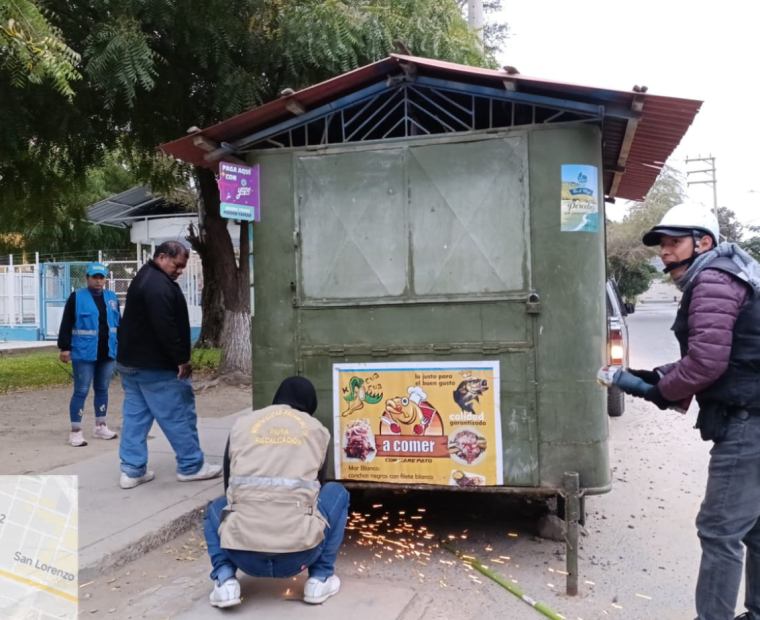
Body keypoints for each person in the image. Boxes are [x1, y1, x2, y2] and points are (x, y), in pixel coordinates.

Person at [620, 203, 760, 620]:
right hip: (752, 410)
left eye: (675, 242)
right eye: (662, 245)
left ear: (705, 242)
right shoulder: (735, 272)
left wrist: (659, 390)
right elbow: (729, 355)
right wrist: (654, 375)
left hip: (746, 422)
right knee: (753, 528)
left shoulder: (713, 281)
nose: (665, 252)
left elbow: (706, 365)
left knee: (719, 530)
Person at [203, 376, 350, 609]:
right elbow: (318, 490)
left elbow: (228, 484)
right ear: (309, 404)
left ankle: (225, 580)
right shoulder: (317, 431)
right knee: (337, 492)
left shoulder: (242, 425)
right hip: (300, 557)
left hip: (242, 556)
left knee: (214, 507)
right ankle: (319, 578)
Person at [116, 241, 221, 490]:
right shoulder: (158, 286)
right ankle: (191, 466)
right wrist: (180, 360)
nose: (180, 271)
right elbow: (165, 328)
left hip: (131, 364)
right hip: (157, 366)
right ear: (162, 257)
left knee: (135, 419)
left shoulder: (144, 276)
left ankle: (131, 470)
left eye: (183, 267)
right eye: (177, 265)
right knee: (179, 416)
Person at [57, 262, 120, 447]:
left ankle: (101, 426)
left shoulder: (112, 297)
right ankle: (76, 431)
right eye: (95, 277)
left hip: (107, 352)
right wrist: (65, 347)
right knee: (81, 391)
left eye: (102, 278)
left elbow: (119, 324)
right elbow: (67, 323)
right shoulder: (77, 297)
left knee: (102, 390)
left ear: (105, 279)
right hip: (84, 353)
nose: (98, 281)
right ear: (87, 278)